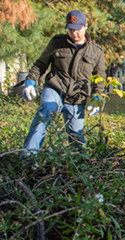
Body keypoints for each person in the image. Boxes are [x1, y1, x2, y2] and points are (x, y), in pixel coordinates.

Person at [22, 10, 106, 154]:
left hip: (77, 96)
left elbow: (100, 78)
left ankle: (80, 163)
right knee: (46, 111)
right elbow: (40, 64)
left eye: (77, 29)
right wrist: (30, 80)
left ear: (85, 26)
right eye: (70, 29)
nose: (74, 33)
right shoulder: (57, 43)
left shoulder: (96, 51)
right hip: (54, 88)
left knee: (76, 137)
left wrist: (97, 98)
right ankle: (29, 155)